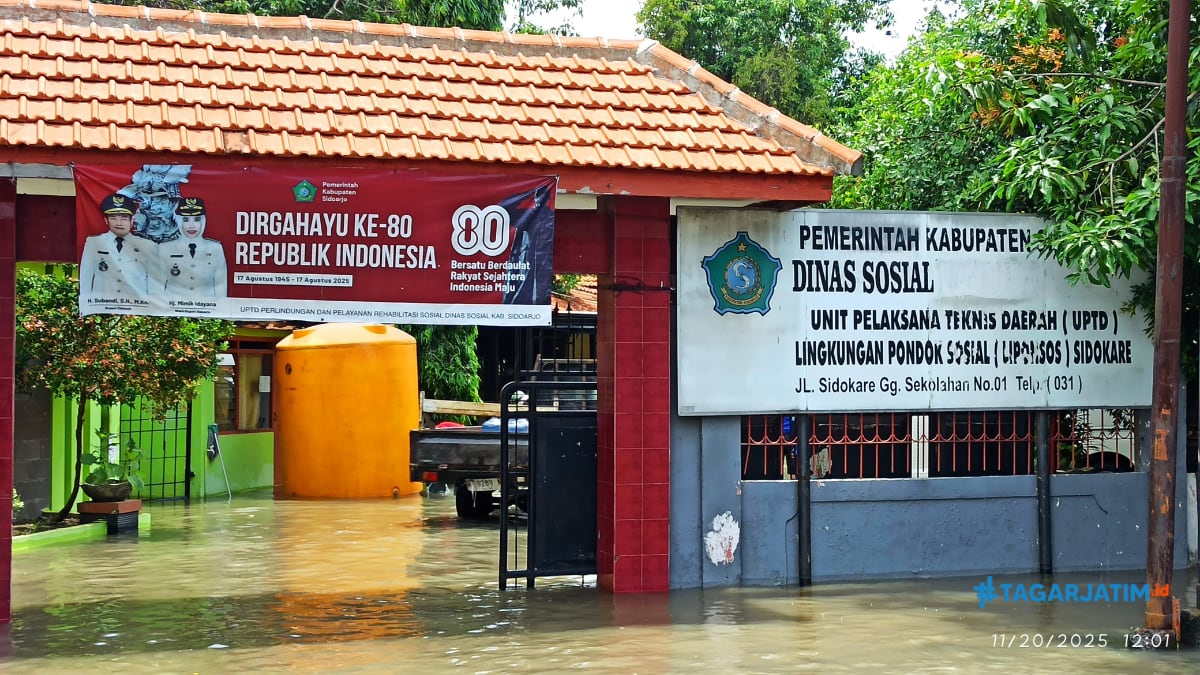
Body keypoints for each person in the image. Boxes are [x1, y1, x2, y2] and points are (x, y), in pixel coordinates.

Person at [79, 193, 154, 297]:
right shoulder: (94, 243)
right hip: (104, 302)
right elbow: (86, 276)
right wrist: (85, 302)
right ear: (106, 220)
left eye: (124, 218)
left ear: (132, 220)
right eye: (113, 218)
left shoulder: (146, 245)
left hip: (135, 303)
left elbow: (152, 280)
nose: (119, 223)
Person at [159, 197, 228, 296]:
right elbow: (158, 286)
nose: (191, 226)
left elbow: (221, 286)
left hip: (206, 304)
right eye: (186, 220)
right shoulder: (165, 248)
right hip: (174, 304)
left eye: (196, 219)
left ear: (203, 221)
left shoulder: (215, 248)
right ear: (179, 221)